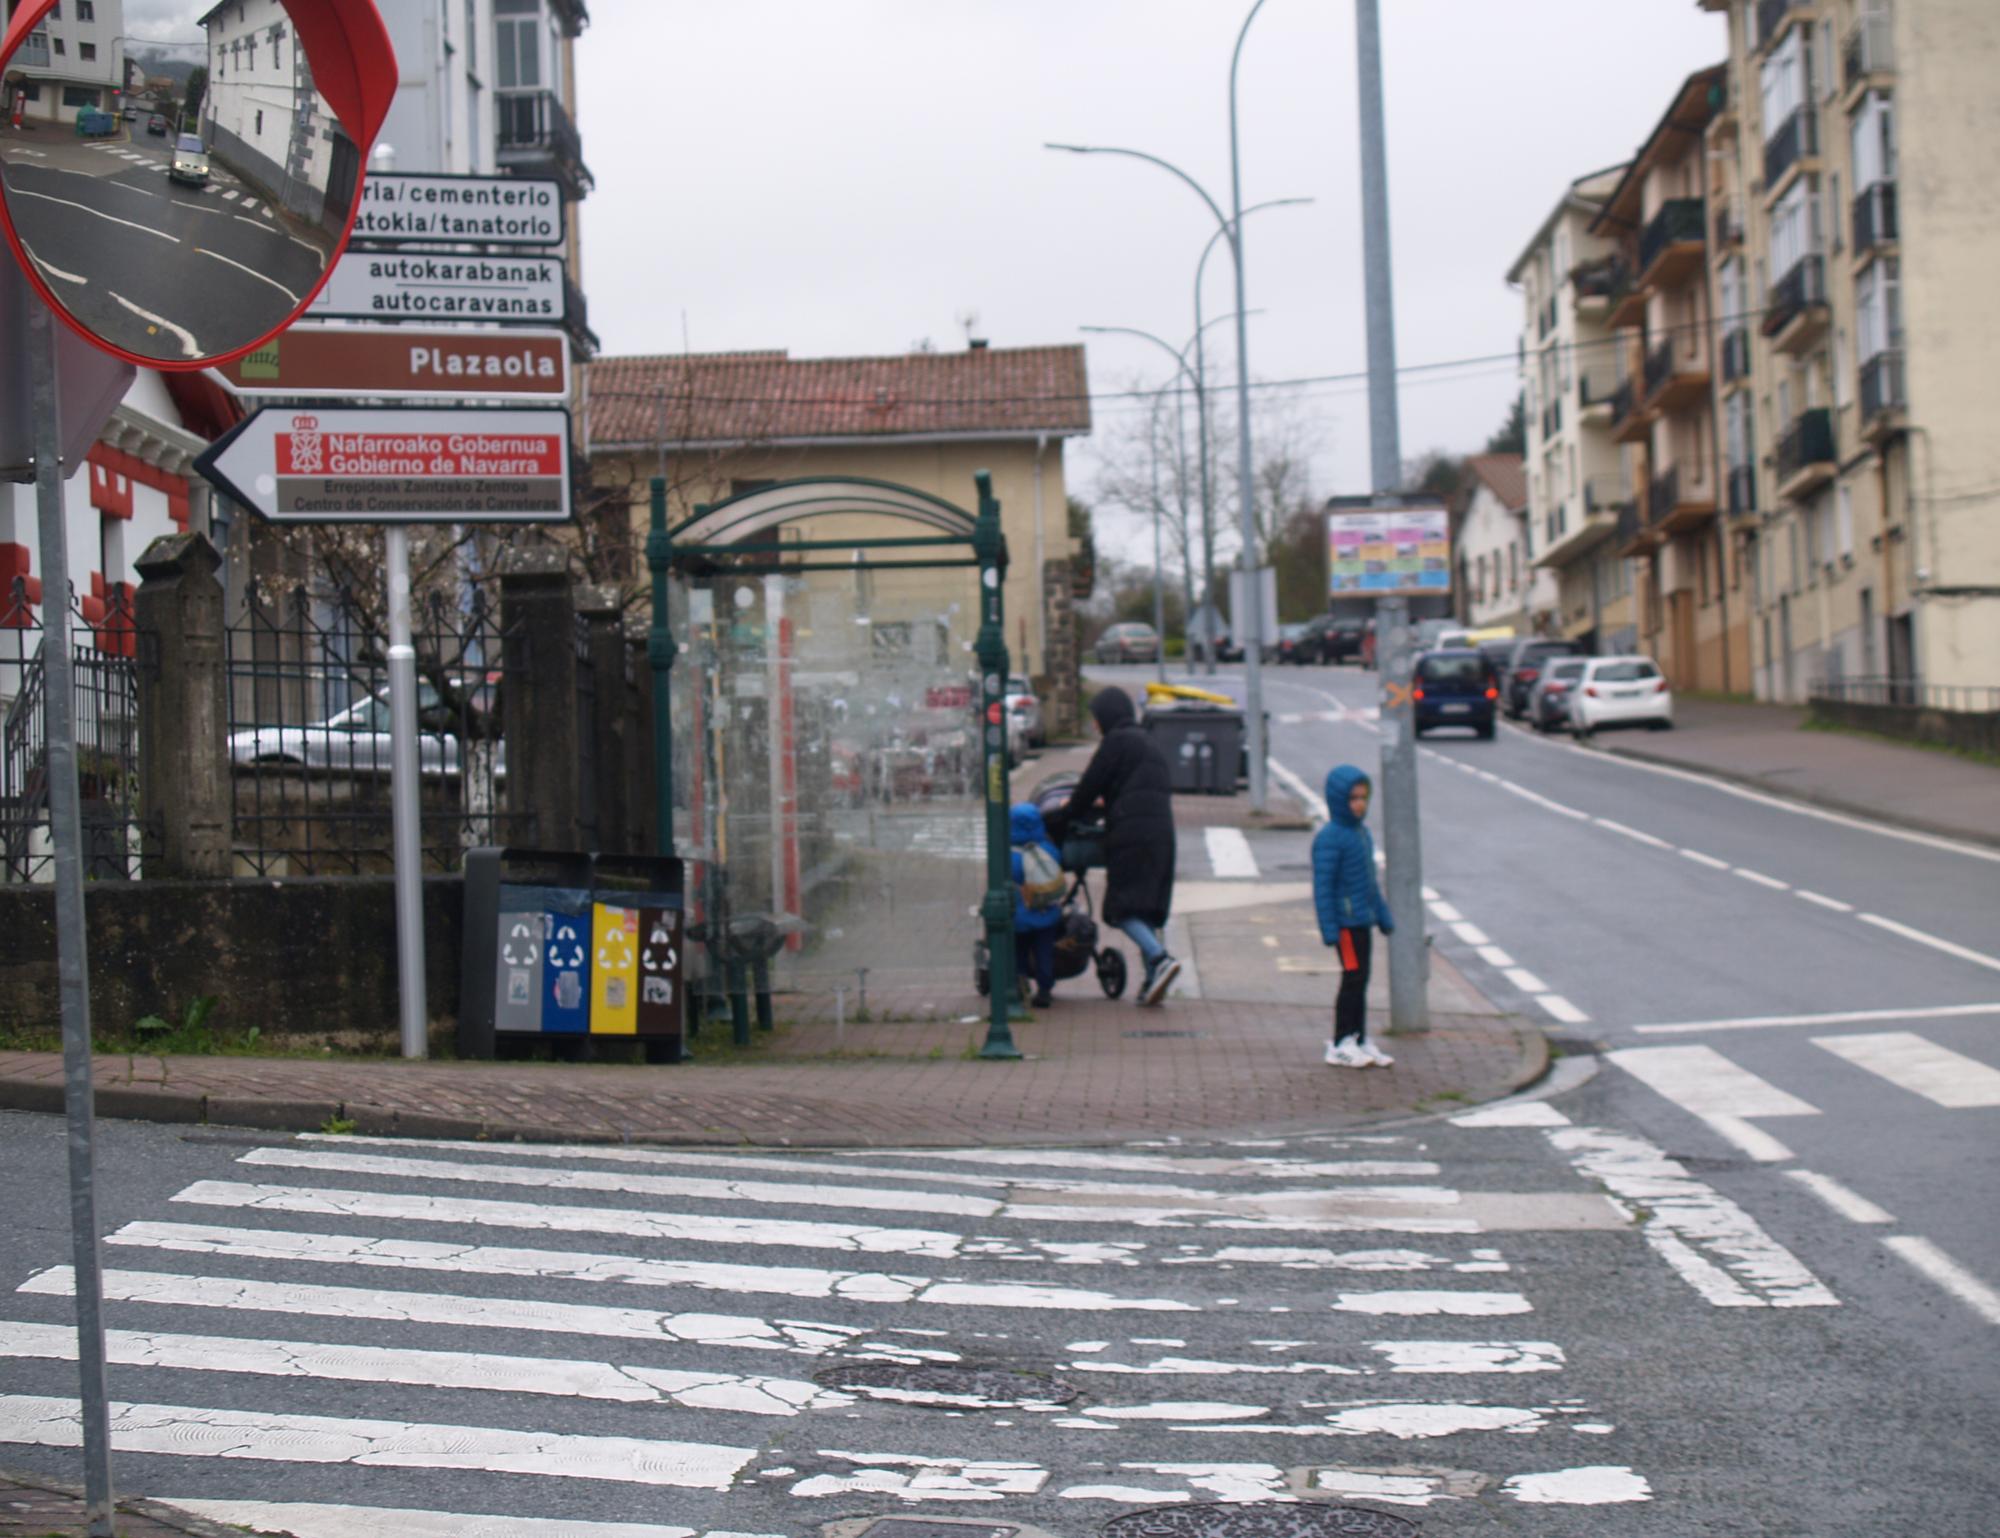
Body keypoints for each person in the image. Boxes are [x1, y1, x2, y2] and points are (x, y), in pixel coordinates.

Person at [1049, 688, 1180, 1005]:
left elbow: (1088, 787)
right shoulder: (1147, 742)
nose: (1095, 725)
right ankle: (1153, 979)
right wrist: (1108, 800)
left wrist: (1062, 816)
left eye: (1096, 718)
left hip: (1131, 835)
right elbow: (1133, 786)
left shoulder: (1116, 742)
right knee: (1145, 907)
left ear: (1107, 716)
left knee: (1121, 910)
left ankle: (1159, 958)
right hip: (1162, 833)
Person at [1312, 764, 1395, 1068]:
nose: (1359, 804)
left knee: (1361, 980)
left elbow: (1369, 883)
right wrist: (1329, 928)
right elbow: (1323, 887)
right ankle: (1341, 1041)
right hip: (1345, 926)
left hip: (1362, 921)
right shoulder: (1330, 838)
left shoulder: (1361, 834)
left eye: (1363, 797)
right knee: (1352, 979)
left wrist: (1382, 916)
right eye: (1353, 798)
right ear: (1339, 800)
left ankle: (1358, 1038)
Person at [1009, 801, 1065, 1008]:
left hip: (1020, 914)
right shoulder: (1049, 850)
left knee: (1020, 950)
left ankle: (1020, 982)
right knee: (1044, 952)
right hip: (1046, 913)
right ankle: (1045, 989)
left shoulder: (1009, 855)